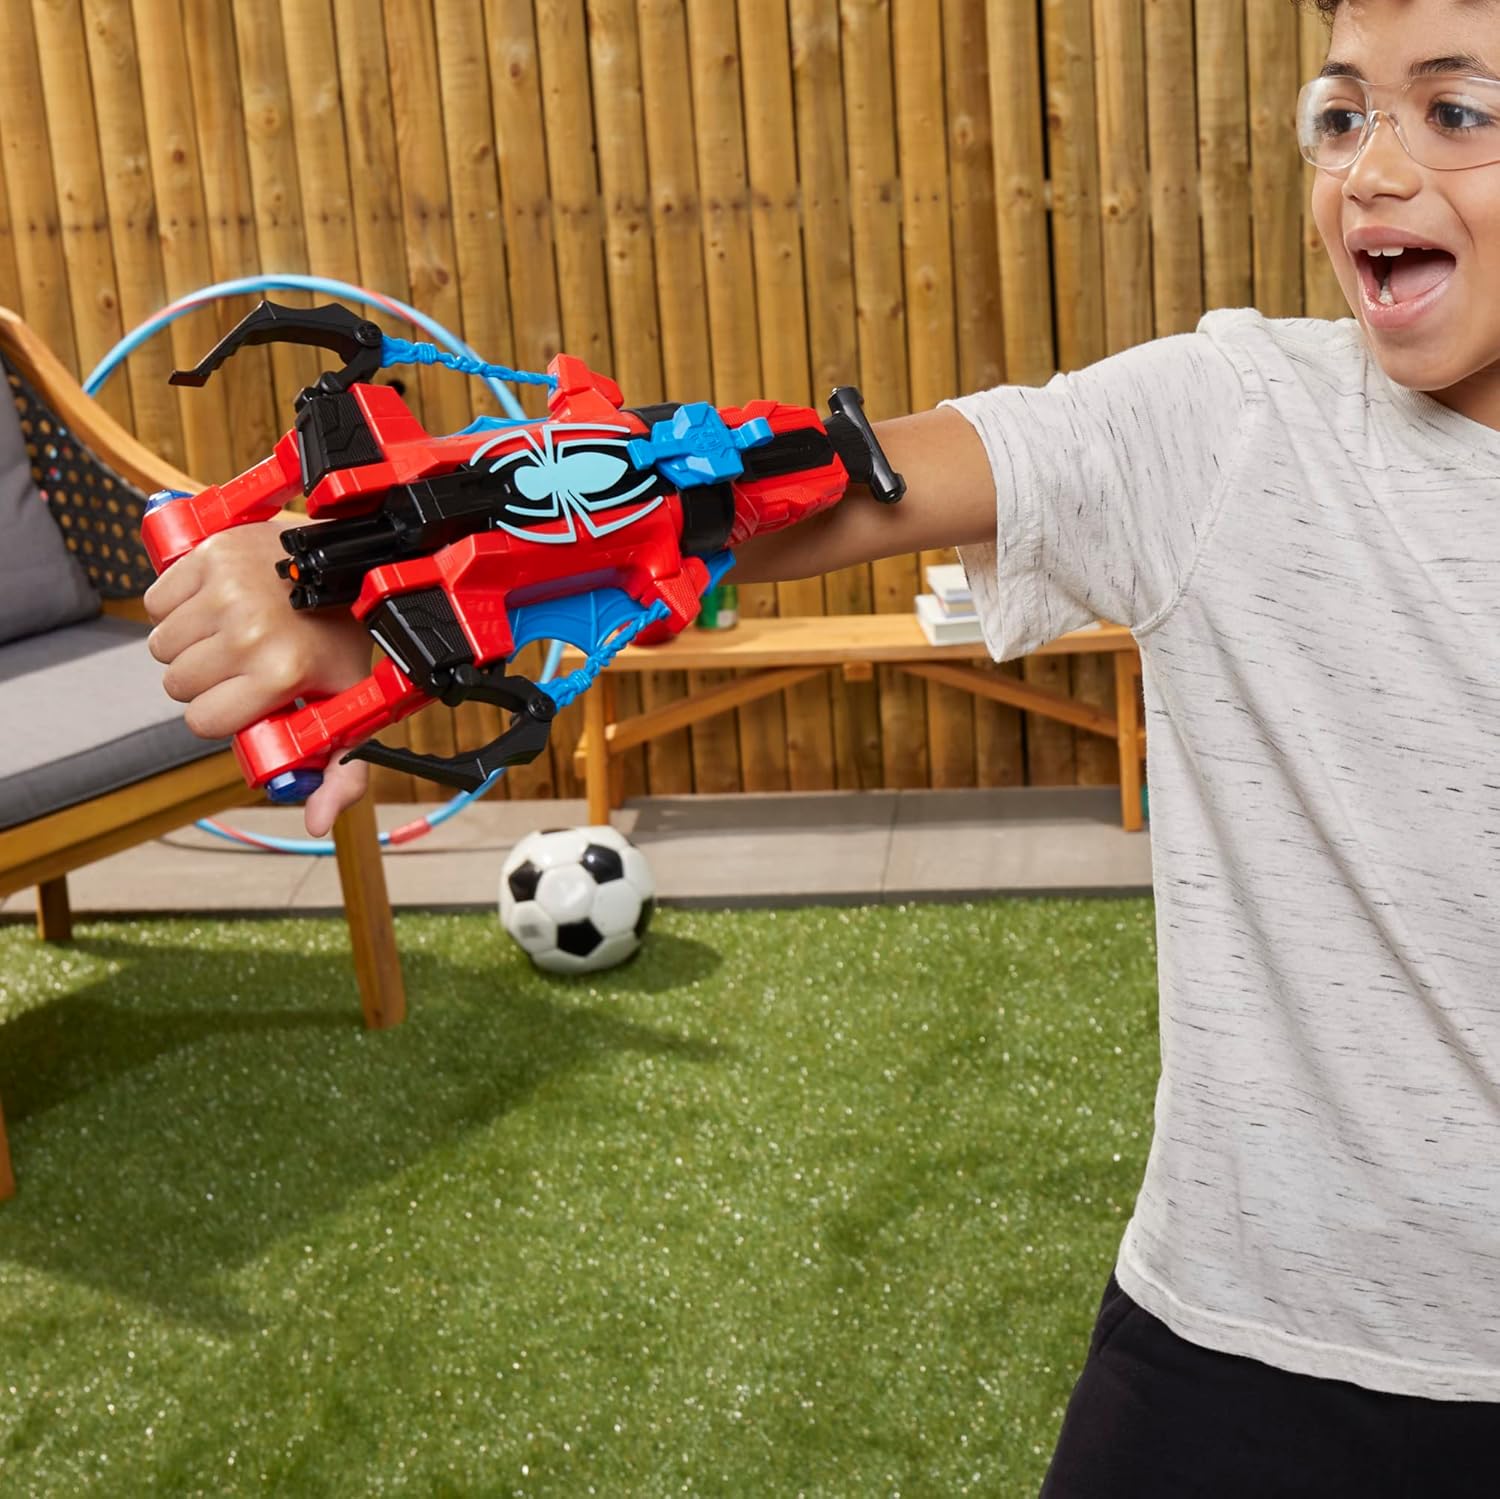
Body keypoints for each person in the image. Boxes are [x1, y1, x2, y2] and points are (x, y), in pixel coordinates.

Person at [145, 0, 1500, 1489]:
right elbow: (802, 481)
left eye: (1457, 113)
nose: (1373, 169)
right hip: (1239, 1337)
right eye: (1340, 114)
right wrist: (376, 568)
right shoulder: (1237, 421)